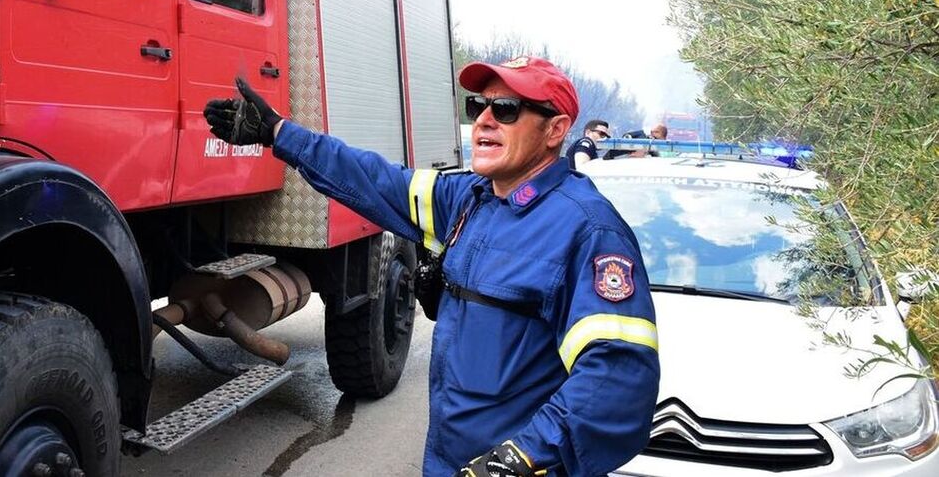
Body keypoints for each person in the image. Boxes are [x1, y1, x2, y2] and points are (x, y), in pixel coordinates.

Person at [204, 57, 659, 477]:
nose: (483, 118)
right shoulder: (471, 201)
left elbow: (617, 382)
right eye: (478, 105)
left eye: (506, 109)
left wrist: (523, 459)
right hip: (446, 462)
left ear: (556, 129)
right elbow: (372, 178)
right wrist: (281, 135)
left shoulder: (587, 230)